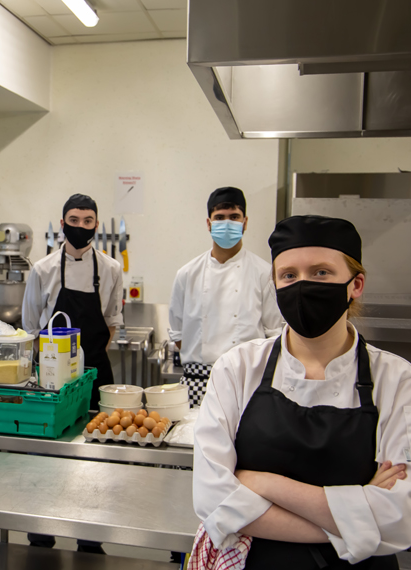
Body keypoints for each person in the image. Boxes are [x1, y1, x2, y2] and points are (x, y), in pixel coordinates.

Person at [192, 215, 411, 569]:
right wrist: (357, 521)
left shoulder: (398, 380)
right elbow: (212, 499)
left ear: (355, 284)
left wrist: (265, 484)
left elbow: (401, 518)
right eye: (289, 275)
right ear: (275, 283)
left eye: (321, 272)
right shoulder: (238, 368)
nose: (302, 285)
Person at [22, 193, 123, 554]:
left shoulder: (110, 269)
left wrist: (85, 363)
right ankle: (41, 533)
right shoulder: (43, 269)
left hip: (95, 373)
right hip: (51, 377)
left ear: (97, 225)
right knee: (47, 456)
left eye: (88, 221)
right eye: (74, 220)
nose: (80, 227)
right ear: (62, 222)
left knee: (95, 455)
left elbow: (112, 322)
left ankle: (90, 537)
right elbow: (31, 327)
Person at [168, 186, 282, 407]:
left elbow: (273, 334)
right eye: (219, 217)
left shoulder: (264, 274)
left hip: (247, 381)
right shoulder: (187, 274)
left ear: (245, 222)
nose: (227, 223)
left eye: (234, 217)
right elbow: (178, 334)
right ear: (209, 224)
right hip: (197, 382)